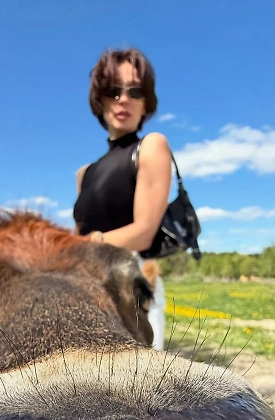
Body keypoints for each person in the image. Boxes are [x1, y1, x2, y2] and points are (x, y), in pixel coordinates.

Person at [72, 47, 172, 350]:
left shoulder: (151, 147)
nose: (123, 99)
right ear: (100, 100)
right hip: (86, 289)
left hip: (133, 289)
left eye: (135, 91)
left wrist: (84, 246)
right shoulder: (85, 173)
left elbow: (144, 232)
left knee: (140, 379)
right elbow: (78, 234)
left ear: (146, 102)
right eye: (113, 91)